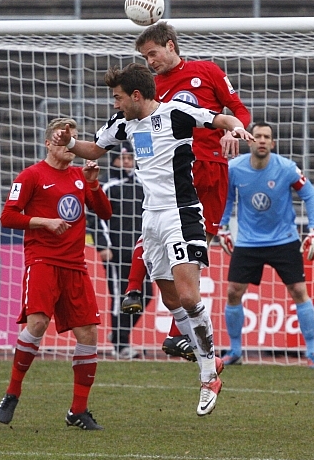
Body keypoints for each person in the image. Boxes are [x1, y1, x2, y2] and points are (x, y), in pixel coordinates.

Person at [57, 63, 254, 416]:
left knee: (190, 296)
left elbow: (218, 119)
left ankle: (209, 374)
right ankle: (202, 355)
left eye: (117, 97)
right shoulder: (123, 124)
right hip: (152, 220)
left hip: (182, 213)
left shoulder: (175, 113)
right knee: (168, 294)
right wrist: (69, 142)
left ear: (136, 95)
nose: (114, 104)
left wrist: (237, 127)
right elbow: (93, 149)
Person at [120, 21, 254, 363]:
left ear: (170, 46)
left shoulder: (206, 71)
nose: (150, 61)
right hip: (175, 173)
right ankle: (135, 290)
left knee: (196, 245)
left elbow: (238, 111)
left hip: (212, 169)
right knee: (156, 223)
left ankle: (177, 331)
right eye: (144, 57)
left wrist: (235, 132)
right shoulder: (148, 90)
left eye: (152, 53)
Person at [0, 117, 112, 430]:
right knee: (37, 323)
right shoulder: (31, 175)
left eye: (74, 139)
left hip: (75, 265)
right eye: (65, 139)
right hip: (43, 261)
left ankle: (78, 410)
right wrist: (43, 222)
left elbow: (105, 213)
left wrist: (92, 184)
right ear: (49, 143)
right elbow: (7, 216)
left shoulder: (79, 175)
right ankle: (13, 392)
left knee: (89, 333)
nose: (71, 145)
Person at [218, 122, 314, 367]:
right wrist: (222, 226)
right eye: (258, 136)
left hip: (283, 240)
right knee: (233, 292)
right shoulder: (235, 168)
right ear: (250, 140)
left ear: (273, 143)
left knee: (299, 292)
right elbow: (227, 197)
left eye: (267, 137)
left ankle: (312, 353)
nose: (262, 140)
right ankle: (235, 351)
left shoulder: (286, 168)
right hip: (248, 241)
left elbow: (309, 194)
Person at [90, 140, 153, 359]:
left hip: (141, 250)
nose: (126, 162)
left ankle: (120, 334)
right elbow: (96, 216)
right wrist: (103, 245)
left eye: (129, 158)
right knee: (119, 296)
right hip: (116, 250)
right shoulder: (107, 185)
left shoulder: (141, 183)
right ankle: (120, 343)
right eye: (122, 158)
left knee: (146, 294)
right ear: (114, 160)